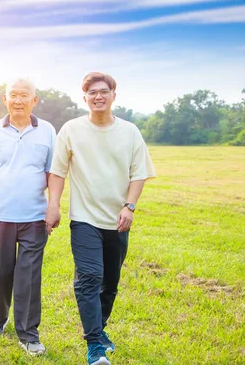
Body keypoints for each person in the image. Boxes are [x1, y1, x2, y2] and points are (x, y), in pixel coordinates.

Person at [46, 72, 156, 365]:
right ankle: (94, 344)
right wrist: (53, 205)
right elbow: (57, 171)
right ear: (84, 98)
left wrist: (129, 207)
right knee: (90, 277)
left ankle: (100, 328)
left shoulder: (130, 131)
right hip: (84, 219)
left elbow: (139, 173)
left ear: (113, 95)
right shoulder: (71, 129)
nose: (98, 96)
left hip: (118, 220)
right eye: (92, 92)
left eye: (103, 91)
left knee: (110, 283)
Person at [0, 77, 56, 355]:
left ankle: (29, 334)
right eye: (13, 95)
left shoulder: (47, 131)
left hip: (34, 217)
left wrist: (53, 205)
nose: (18, 100)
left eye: (24, 96)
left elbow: (52, 173)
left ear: (34, 100)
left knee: (28, 275)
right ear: (4, 99)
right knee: (1, 272)